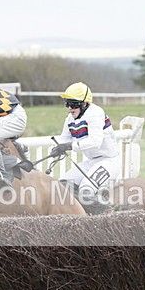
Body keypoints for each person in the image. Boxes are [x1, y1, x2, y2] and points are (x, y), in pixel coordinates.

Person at [50, 82, 121, 210]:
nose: (70, 108)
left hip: (109, 162)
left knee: (85, 192)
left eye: (73, 104)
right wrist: (57, 148)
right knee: (61, 186)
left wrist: (69, 146)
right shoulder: (70, 119)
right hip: (91, 162)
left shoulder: (96, 113)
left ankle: (109, 216)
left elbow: (94, 142)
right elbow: (64, 139)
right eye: (67, 104)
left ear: (84, 104)